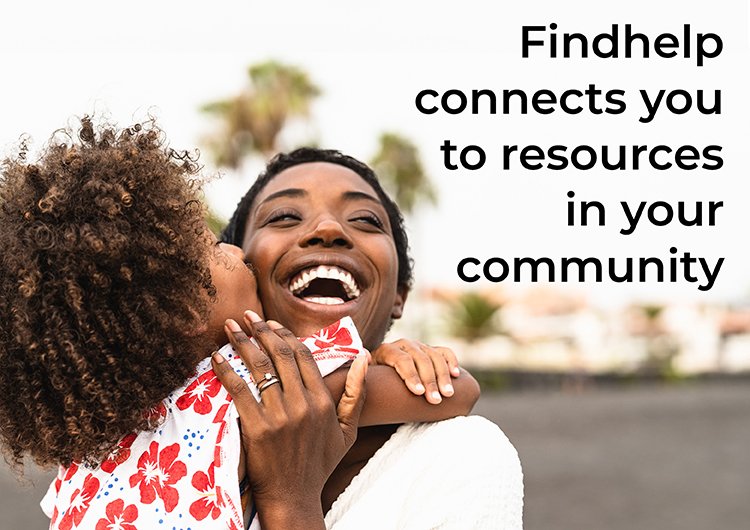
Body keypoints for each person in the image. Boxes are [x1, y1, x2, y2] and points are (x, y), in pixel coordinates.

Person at [0, 118, 478, 529]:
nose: (233, 252)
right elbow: (456, 391)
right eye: (211, 249)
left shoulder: (90, 463)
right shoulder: (243, 383)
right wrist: (382, 361)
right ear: (184, 311)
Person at [221, 147, 524, 528]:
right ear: (237, 272)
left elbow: (459, 387)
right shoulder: (160, 421)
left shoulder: (459, 454)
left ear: (399, 295)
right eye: (284, 216)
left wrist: (290, 500)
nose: (327, 229)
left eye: (365, 220)